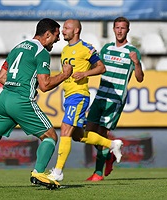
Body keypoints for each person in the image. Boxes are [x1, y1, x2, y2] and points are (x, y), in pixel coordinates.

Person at [0, 18, 74, 190]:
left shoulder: (17, 48)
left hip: (4, 99)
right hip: (21, 100)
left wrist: (16, 85)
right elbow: (45, 85)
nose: (58, 40)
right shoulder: (41, 53)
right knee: (50, 136)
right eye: (56, 36)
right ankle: (39, 173)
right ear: (47, 34)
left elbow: (1, 77)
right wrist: (65, 74)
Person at [49, 19, 124, 182]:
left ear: (76, 31)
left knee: (65, 128)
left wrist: (84, 74)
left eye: (66, 28)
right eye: (63, 28)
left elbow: (101, 67)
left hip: (79, 95)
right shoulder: (65, 50)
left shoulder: (85, 48)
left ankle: (58, 171)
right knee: (78, 136)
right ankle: (112, 145)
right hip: (68, 96)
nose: (63, 31)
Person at [82, 16, 144, 181]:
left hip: (115, 100)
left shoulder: (132, 52)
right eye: (117, 27)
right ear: (113, 29)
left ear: (127, 30)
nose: (119, 31)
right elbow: (98, 67)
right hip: (100, 95)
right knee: (88, 132)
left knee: (102, 133)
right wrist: (90, 58)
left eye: (123, 28)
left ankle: (98, 173)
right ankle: (108, 155)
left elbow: (139, 78)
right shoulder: (107, 48)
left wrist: (137, 64)